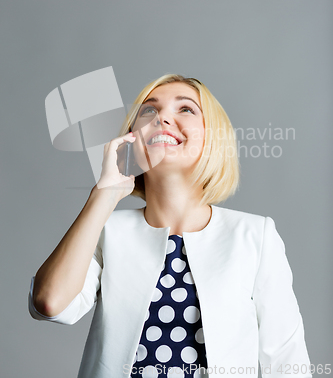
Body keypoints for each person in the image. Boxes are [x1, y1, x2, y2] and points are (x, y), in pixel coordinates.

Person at [29, 74, 312, 378]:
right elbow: (51, 303)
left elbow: (287, 362)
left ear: (213, 138)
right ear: (131, 141)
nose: (162, 117)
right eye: (148, 111)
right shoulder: (106, 230)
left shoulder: (256, 236)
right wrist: (105, 192)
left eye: (186, 109)